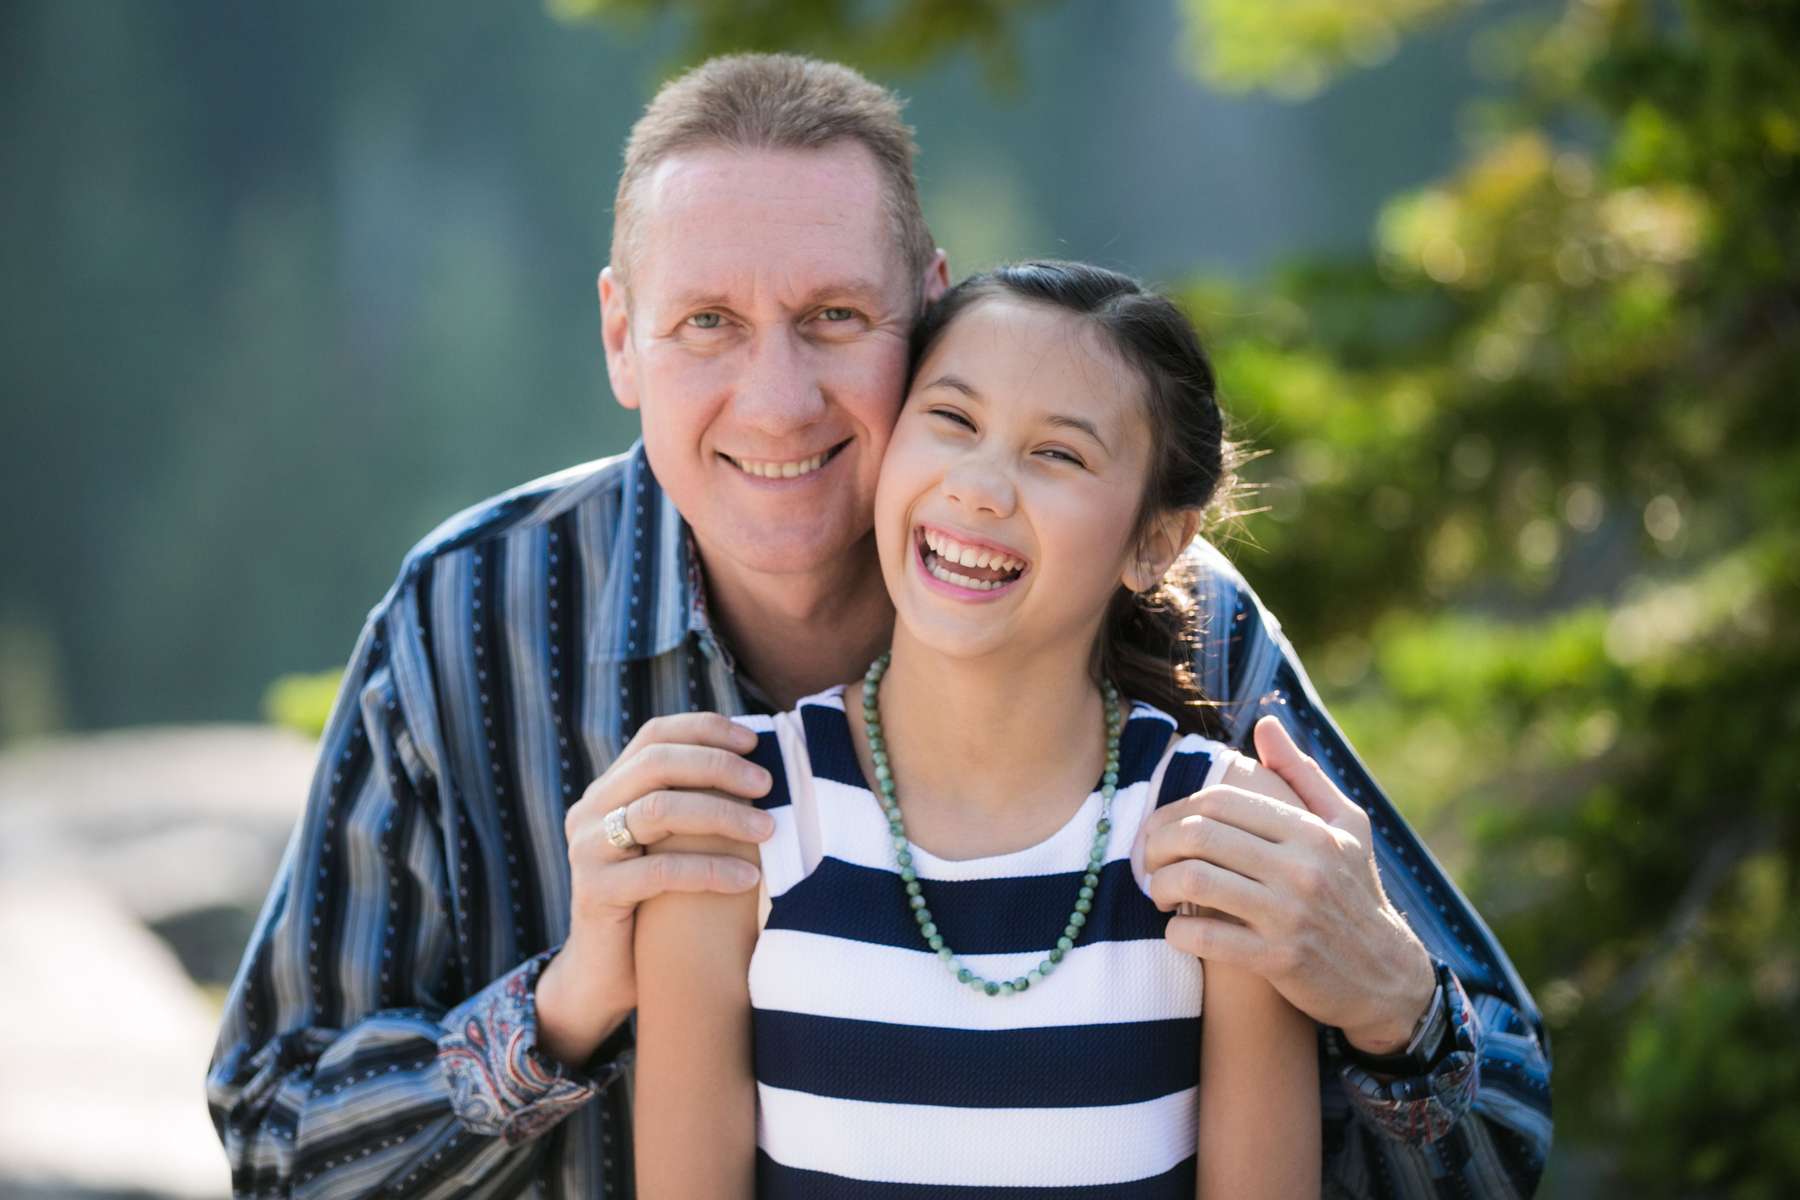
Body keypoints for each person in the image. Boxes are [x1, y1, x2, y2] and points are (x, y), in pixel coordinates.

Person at [207, 53, 1552, 1198]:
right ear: (622, 338)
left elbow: (1510, 1128)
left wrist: (1386, 1001)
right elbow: (270, 1144)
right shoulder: (467, 624)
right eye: (708, 324)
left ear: (929, 308)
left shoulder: (1175, 636)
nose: (778, 400)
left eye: (835, 319)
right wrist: (563, 1007)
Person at [634, 259, 1323, 1197]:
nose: (982, 488)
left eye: (1060, 455)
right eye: (952, 421)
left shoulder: (1217, 845)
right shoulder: (738, 823)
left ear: (1155, 542)